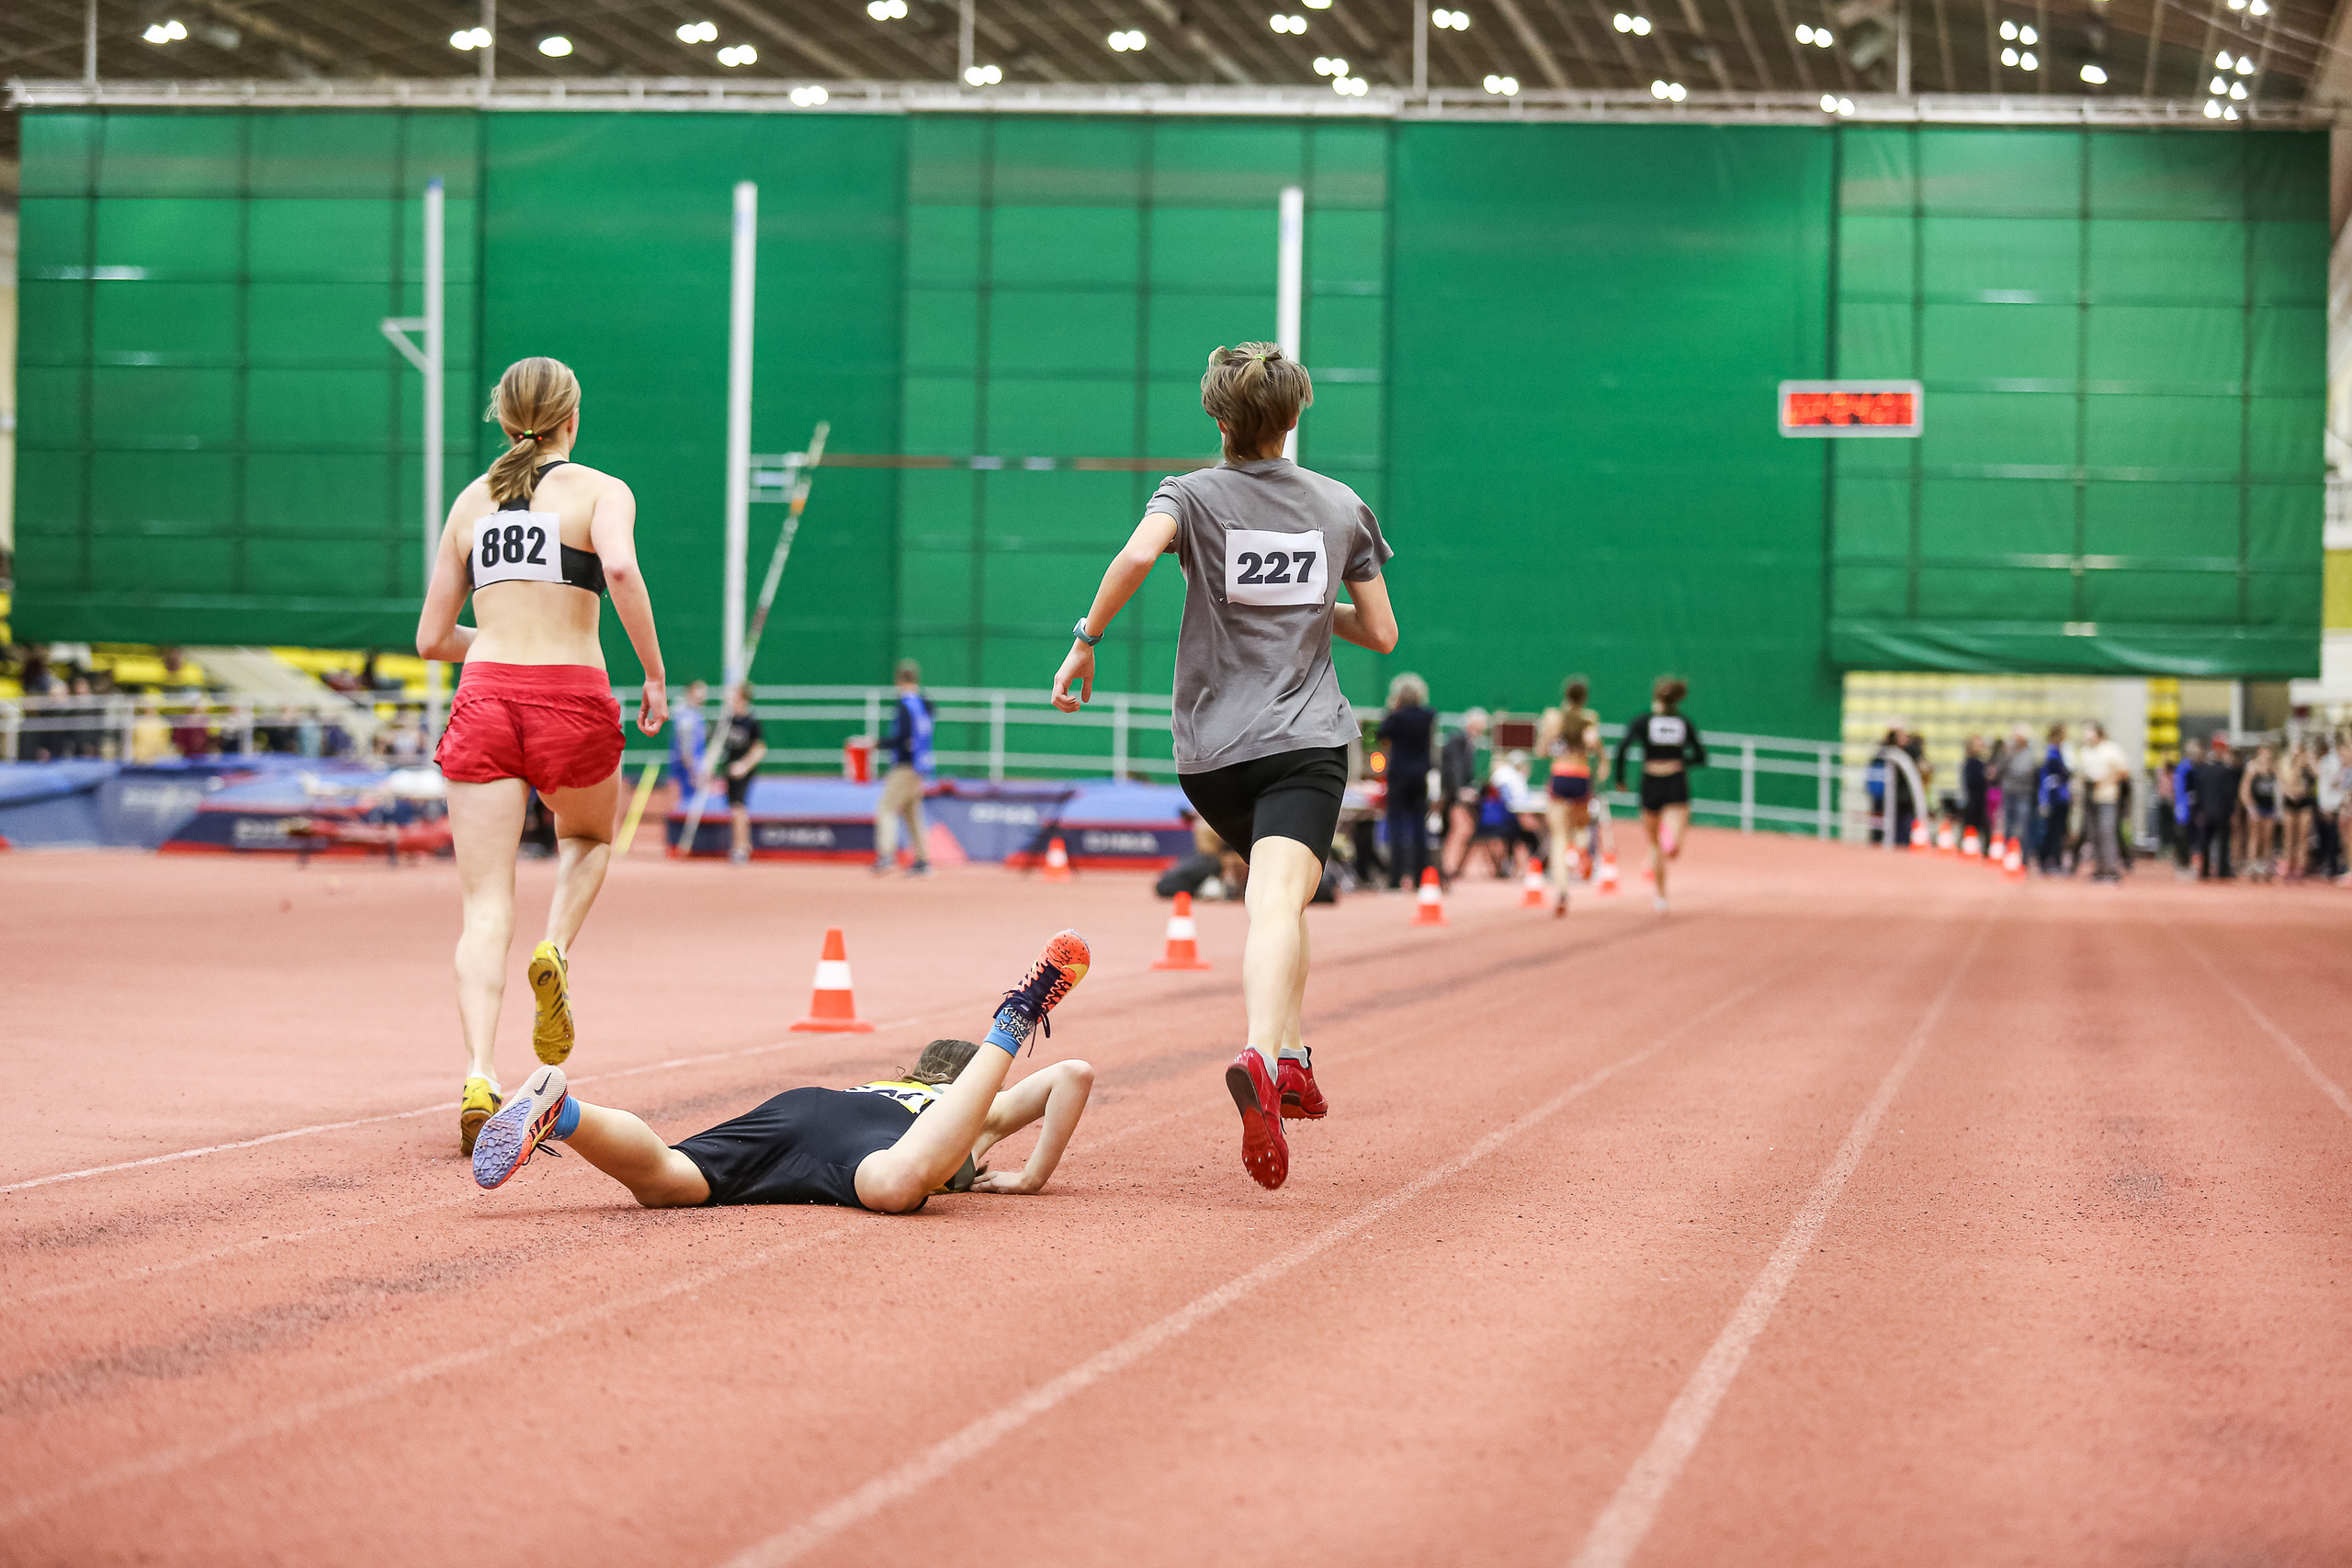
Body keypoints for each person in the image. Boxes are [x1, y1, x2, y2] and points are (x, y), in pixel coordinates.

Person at [1047, 341, 1397, 1191]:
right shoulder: (1341, 506)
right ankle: (1263, 1054)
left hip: (1210, 756)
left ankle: (1293, 1053)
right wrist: (1312, 606)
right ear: (1296, 414)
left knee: (1284, 897)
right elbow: (1382, 633)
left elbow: (1138, 557)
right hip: (1305, 742)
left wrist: (1086, 640)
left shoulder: (1189, 494)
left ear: (1217, 417)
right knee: (1278, 900)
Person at [415, 355, 669, 1156]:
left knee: (484, 907)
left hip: (486, 697)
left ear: (503, 419)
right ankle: (555, 945)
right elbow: (618, 567)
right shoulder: (602, 490)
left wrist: (497, 638)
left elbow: (430, 639)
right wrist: (654, 673)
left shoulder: (470, 503)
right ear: (572, 418)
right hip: (571, 697)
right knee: (587, 837)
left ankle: (478, 1074)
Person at [472, 931, 1094, 1211]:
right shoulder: (974, 1113)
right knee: (896, 1187)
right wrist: (1030, 1177)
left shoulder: (889, 1088)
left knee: (667, 1180)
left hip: (804, 1110)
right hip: (867, 1152)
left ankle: (567, 1113)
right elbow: (1074, 1073)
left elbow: (1073, 1073)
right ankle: (1016, 1016)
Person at [1613, 675, 1706, 913]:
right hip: (1675, 781)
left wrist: (1620, 779)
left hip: (1650, 782)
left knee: (1654, 845)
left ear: (1656, 697)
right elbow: (1701, 755)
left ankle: (1661, 896)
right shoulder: (1683, 722)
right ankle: (1669, 839)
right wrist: (1681, 760)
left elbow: (1623, 747)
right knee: (1672, 846)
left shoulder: (1644, 721)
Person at [1537, 679, 1602, 917]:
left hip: (1561, 774)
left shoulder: (1553, 717)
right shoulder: (1590, 718)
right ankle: (1581, 847)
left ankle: (1562, 890)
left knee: (1558, 836)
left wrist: (1553, 741)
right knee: (1582, 826)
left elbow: (1542, 751)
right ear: (1584, 697)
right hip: (1581, 776)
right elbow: (1594, 744)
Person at [874, 659, 935, 877]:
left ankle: (886, 856)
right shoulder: (924, 703)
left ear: (899, 680)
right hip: (921, 766)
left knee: (885, 808)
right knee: (912, 814)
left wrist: (877, 743)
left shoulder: (904, 705)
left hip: (904, 766)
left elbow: (902, 738)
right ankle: (922, 860)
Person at [1376, 673, 1436, 891]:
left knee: (1396, 826)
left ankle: (1395, 880)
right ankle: (1421, 878)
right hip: (1420, 776)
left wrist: (1391, 710)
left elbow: (1381, 735)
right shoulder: (1428, 716)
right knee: (1420, 826)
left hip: (1399, 776)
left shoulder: (1396, 717)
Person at [714, 685, 767, 866]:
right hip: (729, 770)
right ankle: (745, 844)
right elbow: (718, 745)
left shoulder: (751, 722)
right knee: (735, 809)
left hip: (743, 772)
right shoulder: (727, 721)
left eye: (734, 698)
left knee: (738, 808)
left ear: (742, 700)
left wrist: (744, 766)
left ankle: (740, 849)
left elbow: (760, 749)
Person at [1438, 706, 1488, 885]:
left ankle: (1451, 868)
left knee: (1464, 830)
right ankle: (1447, 867)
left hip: (1459, 793)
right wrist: (1460, 791)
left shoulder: (1468, 742)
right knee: (1460, 830)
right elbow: (1454, 768)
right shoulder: (1458, 740)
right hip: (1453, 795)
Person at [2078, 721, 2130, 883]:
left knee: (2107, 832)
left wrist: (2108, 779)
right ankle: (2099, 868)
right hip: (2090, 796)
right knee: (2094, 834)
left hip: (2107, 796)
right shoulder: (2086, 751)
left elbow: (2124, 771)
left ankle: (2110, 869)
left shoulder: (2111, 749)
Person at [2193, 739, 2238, 880]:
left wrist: (2198, 811)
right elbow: (2230, 794)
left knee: (2205, 842)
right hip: (2222, 813)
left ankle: (2205, 870)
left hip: (2206, 812)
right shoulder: (2227, 771)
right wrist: (2231, 812)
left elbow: (2199, 793)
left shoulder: (2205, 770)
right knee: (2223, 842)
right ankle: (2222, 870)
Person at [2239, 741, 2280, 882]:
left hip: (2269, 805)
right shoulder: (2253, 766)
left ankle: (2266, 867)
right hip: (2256, 806)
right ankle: (2253, 866)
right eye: (2265, 750)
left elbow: (2278, 787)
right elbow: (2244, 788)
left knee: (2268, 838)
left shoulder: (2273, 767)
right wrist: (2250, 807)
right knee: (2255, 837)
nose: (2268, 754)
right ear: (2260, 751)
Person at [2277, 739, 2317, 880]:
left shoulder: (2308, 763)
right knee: (2289, 837)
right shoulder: (2285, 764)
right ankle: (2287, 866)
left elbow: (2316, 775)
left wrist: (2309, 761)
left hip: (2305, 802)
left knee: (2303, 837)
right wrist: (2297, 766)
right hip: (2290, 802)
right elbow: (2287, 782)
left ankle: (2300, 868)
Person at [2036, 726, 2073, 874]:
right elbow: (2051, 776)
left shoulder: (2061, 752)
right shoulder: (2050, 753)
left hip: (2061, 797)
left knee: (2058, 831)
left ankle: (2054, 860)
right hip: (2052, 798)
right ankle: (2048, 860)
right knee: (2050, 831)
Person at [668, 678, 709, 803]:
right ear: (690, 693)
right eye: (700, 691)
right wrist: (692, 771)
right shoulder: (686, 717)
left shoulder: (697, 715)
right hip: (687, 771)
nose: (704, 695)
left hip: (693, 768)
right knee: (686, 804)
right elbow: (685, 746)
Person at [2315, 737, 2346, 880]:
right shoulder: (2328, 761)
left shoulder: (2335, 761)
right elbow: (2324, 784)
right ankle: (2330, 864)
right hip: (2330, 803)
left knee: (2336, 835)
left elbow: (2335, 782)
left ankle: (2334, 864)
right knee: (2329, 835)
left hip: (2336, 803)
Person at [2173, 739, 2203, 876]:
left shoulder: (2198, 767)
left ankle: (2191, 864)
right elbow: (2178, 789)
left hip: (2194, 808)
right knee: (2183, 837)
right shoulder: (2183, 767)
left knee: (2193, 837)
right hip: (2184, 808)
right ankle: (2183, 863)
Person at [1960, 734, 1991, 851]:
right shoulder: (1971, 763)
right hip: (1973, 801)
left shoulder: (1978, 762)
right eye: (1978, 744)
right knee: (1971, 829)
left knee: (1981, 830)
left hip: (1979, 801)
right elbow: (1972, 783)